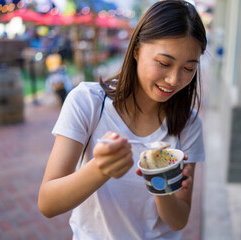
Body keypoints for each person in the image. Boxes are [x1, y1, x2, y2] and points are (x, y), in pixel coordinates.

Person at [38, 1, 207, 239]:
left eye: (189, 68)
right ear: (136, 48)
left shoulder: (189, 124)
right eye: (164, 63)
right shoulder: (88, 102)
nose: (173, 79)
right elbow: (47, 203)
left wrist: (162, 183)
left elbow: (179, 221)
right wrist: (100, 169)